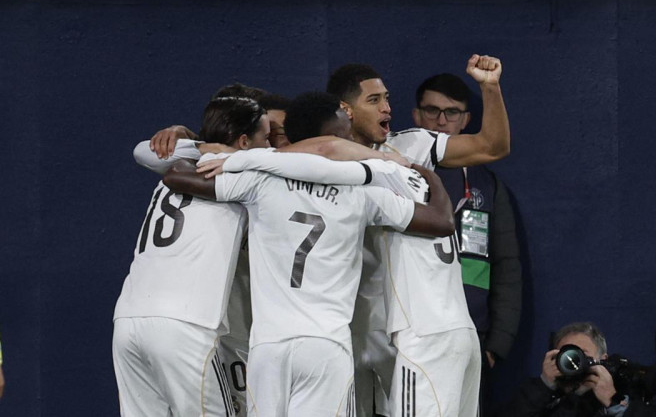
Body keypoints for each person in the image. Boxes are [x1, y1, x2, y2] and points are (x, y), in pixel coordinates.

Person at [162, 92, 456, 416]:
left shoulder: (259, 181)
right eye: (345, 126)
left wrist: (206, 149)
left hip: (267, 349)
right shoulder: (363, 191)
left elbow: (175, 176)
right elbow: (441, 222)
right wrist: (431, 177)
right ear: (335, 133)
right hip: (325, 346)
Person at [326, 55, 510, 417]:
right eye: (375, 100)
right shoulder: (320, 158)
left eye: (388, 98)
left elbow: (493, 146)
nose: (388, 108)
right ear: (345, 109)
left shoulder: (411, 147)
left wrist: (490, 88)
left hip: (412, 327)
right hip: (361, 328)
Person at [113, 96, 269, 416]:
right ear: (243, 141)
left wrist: (187, 137)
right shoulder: (241, 178)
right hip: (185, 323)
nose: (270, 146)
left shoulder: (175, 164)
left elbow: (144, 150)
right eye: (265, 138)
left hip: (128, 320)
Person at [413, 73, 522, 395]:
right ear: (416, 115)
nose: (441, 121)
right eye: (432, 111)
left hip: (472, 335)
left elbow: (507, 267)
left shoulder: (486, 185)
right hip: (412, 333)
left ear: (466, 120)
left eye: (452, 112)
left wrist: (495, 345)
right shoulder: (394, 171)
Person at [501, 322, 656, 417]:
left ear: (602, 359)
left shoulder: (624, 388)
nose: (575, 363)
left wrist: (614, 401)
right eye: (568, 355)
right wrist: (543, 386)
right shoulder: (543, 397)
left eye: (582, 355)